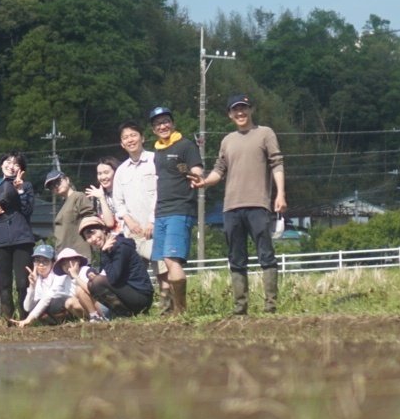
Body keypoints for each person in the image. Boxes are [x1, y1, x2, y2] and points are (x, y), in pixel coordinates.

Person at [192, 94, 287, 314]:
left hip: (258, 204)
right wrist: (204, 182)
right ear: (230, 114)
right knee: (236, 257)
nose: (240, 113)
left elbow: (277, 164)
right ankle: (240, 307)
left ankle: (271, 305)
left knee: (266, 254)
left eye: (243, 108)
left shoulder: (265, 133)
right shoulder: (227, 141)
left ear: (250, 110)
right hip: (231, 207)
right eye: (236, 110)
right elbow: (219, 170)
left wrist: (280, 194)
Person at [147, 105, 204, 315]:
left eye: (165, 122)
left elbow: (197, 169)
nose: (162, 126)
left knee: (172, 261)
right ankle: (168, 310)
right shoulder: (157, 151)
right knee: (162, 263)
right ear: (153, 129)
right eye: (157, 124)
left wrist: (195, 175)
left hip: (180, 209)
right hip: (160, 211)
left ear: (173, 123)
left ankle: (182, 310)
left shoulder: (185, 145)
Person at [0, 151, 36, 325]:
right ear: (1, 165)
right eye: (7, 162)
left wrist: (20, 191)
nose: (11, 165)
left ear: (21, 169)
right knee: (4, 285)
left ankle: (25, 319)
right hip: (0, 242)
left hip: (22, 239)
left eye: (16, 163)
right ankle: (9, 320)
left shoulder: (26, 186)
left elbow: (28, 211)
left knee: (23, 283)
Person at [71, 215, 155, 320]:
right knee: (93, 282)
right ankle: (120, 315)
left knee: (96, 282)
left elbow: (113, 278)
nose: (93, 239)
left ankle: (124, 315)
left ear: (103, 229)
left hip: (141, 297)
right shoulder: (106, 248)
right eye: (88, 237)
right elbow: (107, 273)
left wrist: (105, 254)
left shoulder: (120, 246)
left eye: (93, 232)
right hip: (127, 294)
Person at [110, 123, 157, 262]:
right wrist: (129, 221)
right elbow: (118, 201)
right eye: (125, 137)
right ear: (122, 144)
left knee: (164, 276)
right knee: (136, 277)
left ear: (142, 138)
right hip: (132, 233)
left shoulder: (155, 160)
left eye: (133, 135)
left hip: (155, 229)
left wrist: (152, 221)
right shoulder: (121, 170)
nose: (130, 140)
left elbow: (161, 193)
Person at [14, 243, 76, 327]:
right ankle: (54, 323)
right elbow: (27, 307)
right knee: (39, 305)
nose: (41, 264)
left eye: (45, 261)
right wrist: (32, 286)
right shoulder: (38, 279)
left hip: (68, 305)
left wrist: (29, 319)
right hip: (52, 305)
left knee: (54, 304)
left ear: (53, 263)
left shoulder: (60, 275)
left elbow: (48, 297)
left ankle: (69, 320)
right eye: (38, 261)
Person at [46, 169, 96, 259]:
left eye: (58, 181)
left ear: (67, 180)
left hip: (78, 255)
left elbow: (91, 220)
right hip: (64, 256)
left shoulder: (78, 196)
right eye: (51, 186)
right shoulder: (62, 205)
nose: (55, 186)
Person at [84, 157, 121, 227]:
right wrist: (102, 198)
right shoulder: (95, 197)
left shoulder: (124, 192)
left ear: (116, 172)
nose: (103, 177)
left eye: (106, 173)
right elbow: (109, 224)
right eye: (99, 174)